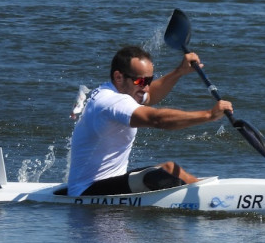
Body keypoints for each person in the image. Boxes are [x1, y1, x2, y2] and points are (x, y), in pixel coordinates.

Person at [67, 45, 232, 196]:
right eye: (141, 81)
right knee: (166, 173)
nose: (146, 87)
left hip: (109, 182)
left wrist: (179, 71)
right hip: (86, 191)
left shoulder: (124, 90)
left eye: (149, 80)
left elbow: (151, 95)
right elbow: (157, 120)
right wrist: (209, 115)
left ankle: (207, 191)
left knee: (171, 171)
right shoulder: (111, 102)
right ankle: (213, 197)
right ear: (118, 77)